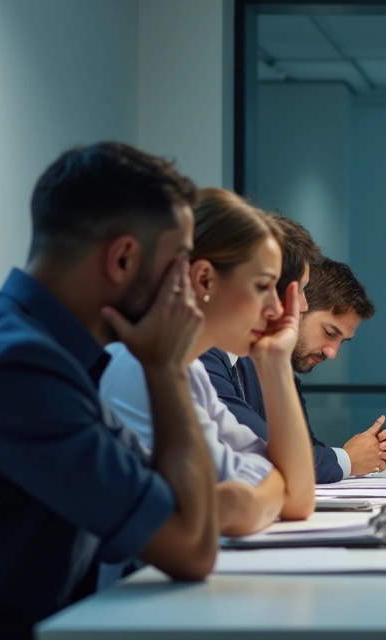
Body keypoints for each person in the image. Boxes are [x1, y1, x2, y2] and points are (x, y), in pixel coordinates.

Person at [0, 143, 218, 638]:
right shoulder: (19, 372)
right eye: (181, 261)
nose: (190, 287)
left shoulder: (37, 348)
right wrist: (165, 366)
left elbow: (168, 500)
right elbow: (192, 545)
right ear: (123, 259)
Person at [100, 188, 315, 540]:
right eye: (263, 286)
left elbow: (298, 498)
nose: (277, 310)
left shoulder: (191, 371)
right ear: (204, 279)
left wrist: (274, 363)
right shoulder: (137, 368)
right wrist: (268, 489)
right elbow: (247, 501)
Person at [200, 216, 386, 483]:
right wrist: (347, 459)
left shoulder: (261, 361)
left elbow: (296, 457)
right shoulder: (199, 357)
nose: (300, 305)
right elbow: (279, 459)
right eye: (329, 332)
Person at [290, 257, 386, 471]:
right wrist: (346, 459)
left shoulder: (285, 378)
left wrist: (363, 453)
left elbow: (306, 449)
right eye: (329, 332)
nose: (333, 352)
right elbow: (269, 460)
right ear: (298, 307)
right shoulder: (227, 364)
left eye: (342, 341)